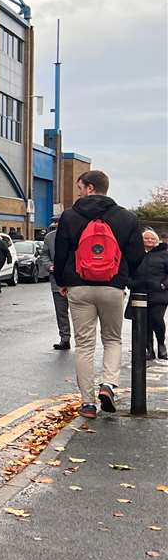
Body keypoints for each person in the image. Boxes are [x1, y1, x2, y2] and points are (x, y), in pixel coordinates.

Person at [53, 169, 146, 416]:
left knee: (84, 345)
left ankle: (88, 403)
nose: (80, 192)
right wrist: (125, 279)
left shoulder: (70, 216)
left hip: (79, 286)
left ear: (91, 188)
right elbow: (137, 257)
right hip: (112, 286)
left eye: (81, 187)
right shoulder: (127, 218)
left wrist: (63, 281)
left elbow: (60, 253)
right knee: (112, 339)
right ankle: (108, 384)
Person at [133, 228, 167, 361]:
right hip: (140, 293)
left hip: (159, 294)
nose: (149, 240)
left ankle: (161, 345)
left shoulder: (164, 254)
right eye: (146, 238)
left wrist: (163, 285)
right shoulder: (136, 254)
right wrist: (131, 283)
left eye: (152, 238)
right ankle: (149, 349)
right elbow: (128, 270)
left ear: (157, 240)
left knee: (157, 319)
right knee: (144, 322)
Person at [43, 216, 72, 350]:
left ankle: (82, 340)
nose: (57, 225)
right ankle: (65, 338)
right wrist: (49, 266)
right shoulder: (49, 237)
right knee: (61, 312)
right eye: (56, 223)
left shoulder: (75, 235)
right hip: (56, 280)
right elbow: (44, 255)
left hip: (74, 280)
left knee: (79, 312)